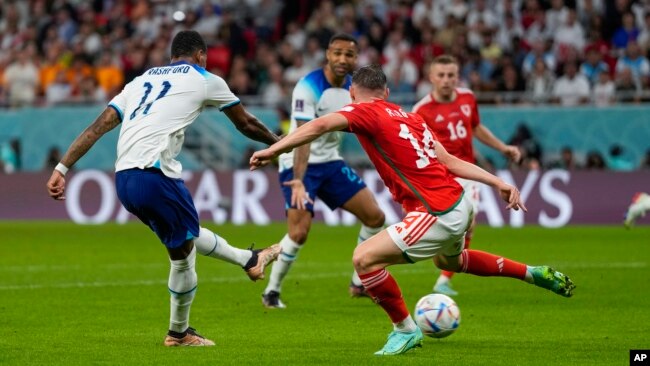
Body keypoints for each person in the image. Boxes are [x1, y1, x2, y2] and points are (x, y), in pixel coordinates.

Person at [250, 65, 575, 356]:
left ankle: (405, 330)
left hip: (435, 211)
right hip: (460, 203)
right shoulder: (410, 117)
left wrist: (273, 149)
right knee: (450, 261)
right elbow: (449, 161)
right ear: (388, 92)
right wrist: (497, 182)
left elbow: (319, 125)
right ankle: (533, 273)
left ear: (352, 92)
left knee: (363, 259)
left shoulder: (365, 111)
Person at [46, 31, 282, 347]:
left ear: (172, 55)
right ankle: (179, 333)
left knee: (185, 235)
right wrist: (282, 144)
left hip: (125, 180)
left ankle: (248, 260)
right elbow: (247, 124)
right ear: (201, 55)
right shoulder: (204, 78)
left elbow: (98, 126)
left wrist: (62, 168)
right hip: (155, 175)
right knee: (184, 257)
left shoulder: (140, 81)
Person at [261, 33, 386, 309]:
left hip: (330, 162)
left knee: (376, 217)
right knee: (299, 233)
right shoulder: (309, 86)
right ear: (327, 54)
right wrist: (297, 180)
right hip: (297, 163)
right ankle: (271, 292)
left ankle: (359, 282)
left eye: (349, 54)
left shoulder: (355, 88)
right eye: (337, 53)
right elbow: (305, 135)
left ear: (356, 58)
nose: (343, 59)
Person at [412, 54, 522, 296]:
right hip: (439, 175)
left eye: (451, 75)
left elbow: (475, 127)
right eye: (441, 75)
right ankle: (442, 260)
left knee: (469, 225)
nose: (446, 80)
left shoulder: (468, 98)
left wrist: (502, 147)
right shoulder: (421, 110)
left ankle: (444, 279)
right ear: (431, 78)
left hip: (467, 173)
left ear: (457, 76)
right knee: (447, 227)